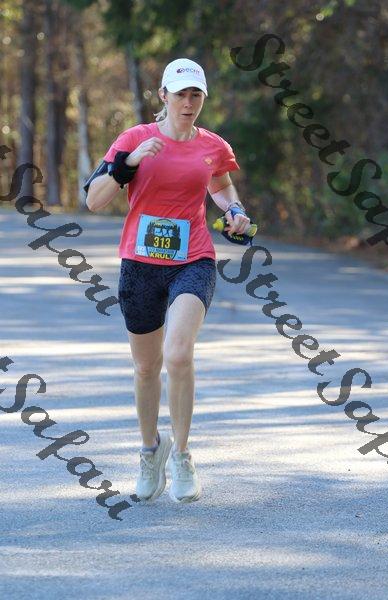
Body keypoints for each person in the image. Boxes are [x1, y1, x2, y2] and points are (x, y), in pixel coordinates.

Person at [84, 57, 250, 504]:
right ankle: (149, 451)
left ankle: (182, 455)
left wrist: (234, 210)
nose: (188, 103)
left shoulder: (212, 145)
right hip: (140, 265)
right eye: (180, 94)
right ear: (163, 96)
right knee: (145, 368)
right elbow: (94, 200)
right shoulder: (133, 139)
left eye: (196, 95)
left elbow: (220, 186)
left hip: (192, 259)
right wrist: (129, 164)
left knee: (178, 354)